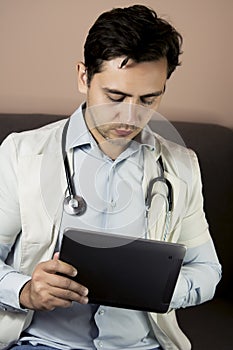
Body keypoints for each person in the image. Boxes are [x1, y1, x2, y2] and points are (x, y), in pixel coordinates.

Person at [0, 4, 221, 350]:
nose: (130, 116)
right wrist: (25, 290)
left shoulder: (181, 165)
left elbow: (207, 269)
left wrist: (157, 288)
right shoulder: (21, 154)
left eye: (148, 98)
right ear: (83, 77)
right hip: (46, 344)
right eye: (115, 96)